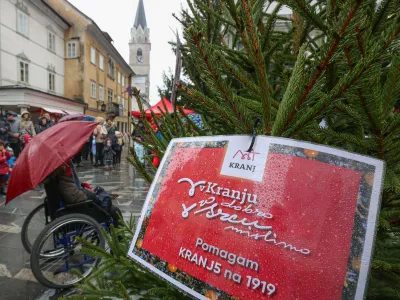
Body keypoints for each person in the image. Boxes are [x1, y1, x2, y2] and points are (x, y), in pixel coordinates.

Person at [48, 164, 122, 226]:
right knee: (114, 211)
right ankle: (119, 241)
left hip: (70, 207)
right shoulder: (64, 172)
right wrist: (89, 194)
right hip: (77, 209)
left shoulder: (55, 172)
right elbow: (73, 196)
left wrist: (84, 189)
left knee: (99, 193)